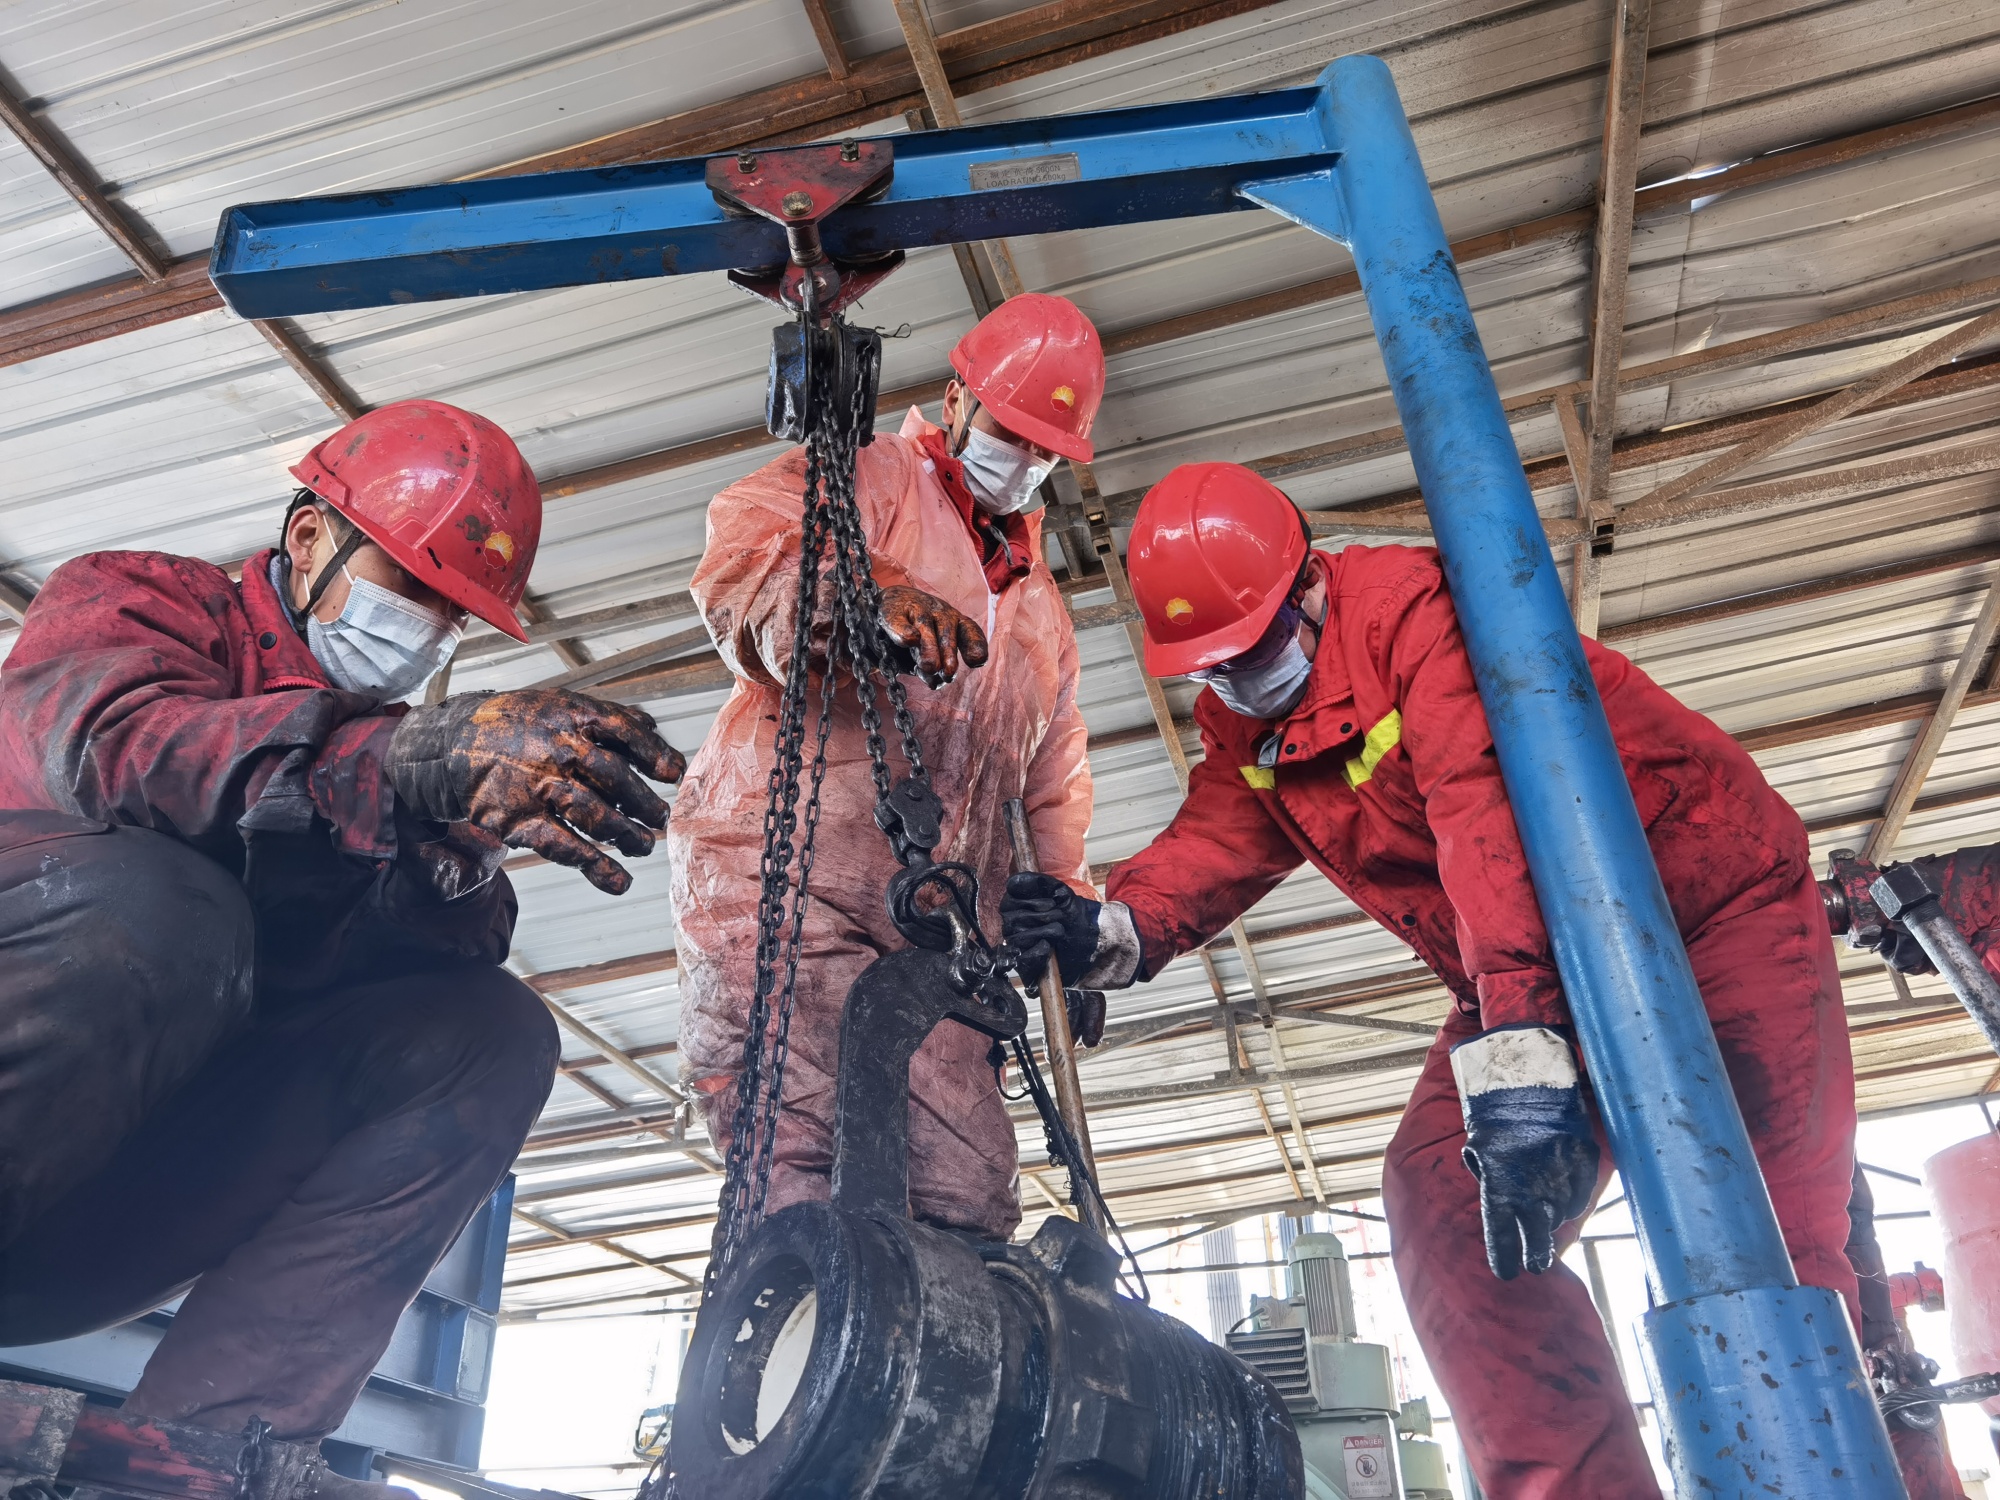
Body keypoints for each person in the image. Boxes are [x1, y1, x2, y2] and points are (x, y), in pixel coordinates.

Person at [1000, 461, 1872, 1498]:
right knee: (1444, 1210)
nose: (1235, 681)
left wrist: (1519, 1066)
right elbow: (1223, 833)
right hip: (1518, 969)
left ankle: (1816, 1476)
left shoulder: (1422, 623)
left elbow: (1486, 823)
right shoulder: (1248, 718)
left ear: (1309, 586)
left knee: (1767, 1225)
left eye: (1255, 647)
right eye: (1213, 666)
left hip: (1703, 911)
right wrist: (1114, 926)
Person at [0, 399, 684, 1497]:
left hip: (90, 1222)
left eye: (453, 616)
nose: (426, 631)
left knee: (490, 1035)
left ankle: (212, 1445)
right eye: (410, 585)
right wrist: (399, 762)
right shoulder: (133, 600)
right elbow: (118, 760)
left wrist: (454, 849)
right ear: (309, 538)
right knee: (167, 906)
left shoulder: (375, 756)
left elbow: (387, 976)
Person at [668, 294, 1103, 1242]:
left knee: (965, 1190)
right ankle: (803, 1354)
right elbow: (746, 553)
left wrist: (1065, 910)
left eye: (1044, 452)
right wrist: (866, 601)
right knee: (804, 1156)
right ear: (956, 401)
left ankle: (949, 1374)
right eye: (1009, 433)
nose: (1023, 463)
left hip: (944, 921)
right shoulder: (868, 481)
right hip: (788, 882)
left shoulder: (1043, 616)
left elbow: (1051, 778)